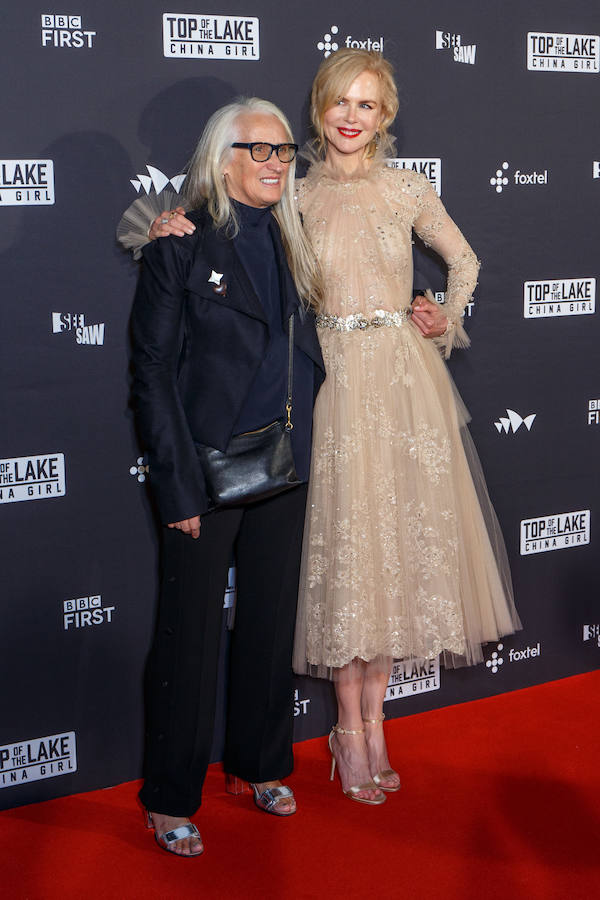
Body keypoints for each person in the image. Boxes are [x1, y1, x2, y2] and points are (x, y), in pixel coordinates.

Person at [128, 50, 521, 809]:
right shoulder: (292, 197)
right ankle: (345, 733)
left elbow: (463, 259)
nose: (351, 116)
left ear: (386, 116)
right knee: (349, 558)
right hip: (321, 386)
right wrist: (169, 224)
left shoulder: (408, 189)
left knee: (389, 553)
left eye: (367, 105)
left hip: (402, 383)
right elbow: (224, 230)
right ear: (318, 109)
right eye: (340, 101)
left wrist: (444, 317)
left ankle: (373, 724)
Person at [129, 97, 324, 856]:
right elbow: (151, 375)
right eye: (260, 150)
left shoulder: (294, 235)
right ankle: (170, 798)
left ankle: (261, 763)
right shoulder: (178, 242)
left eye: (284, 152)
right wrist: (176, 488)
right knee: (188, 638)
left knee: (270, 627)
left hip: (285, 463)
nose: (276, 163)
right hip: (204, 472)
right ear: (223, 156)